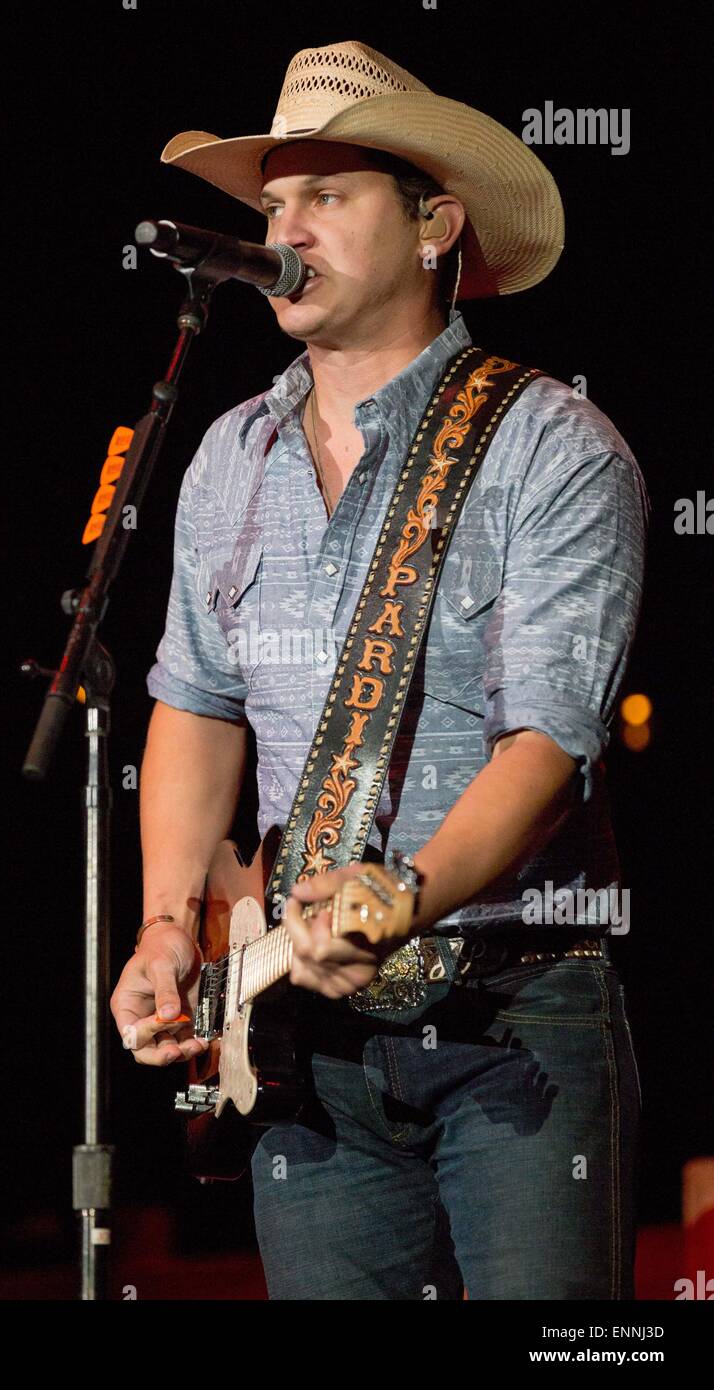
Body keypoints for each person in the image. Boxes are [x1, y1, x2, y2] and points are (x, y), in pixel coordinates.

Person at [110, 40, 648, 1300]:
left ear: (431, 227)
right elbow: (193, 704)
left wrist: (404, 895)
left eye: (326, 195)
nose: (282, 226)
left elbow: (551, 744)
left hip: (513, 1016)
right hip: (305, 1045)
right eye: (271, 203)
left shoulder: (549, 446)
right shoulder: (227, 456)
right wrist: (160, 922)